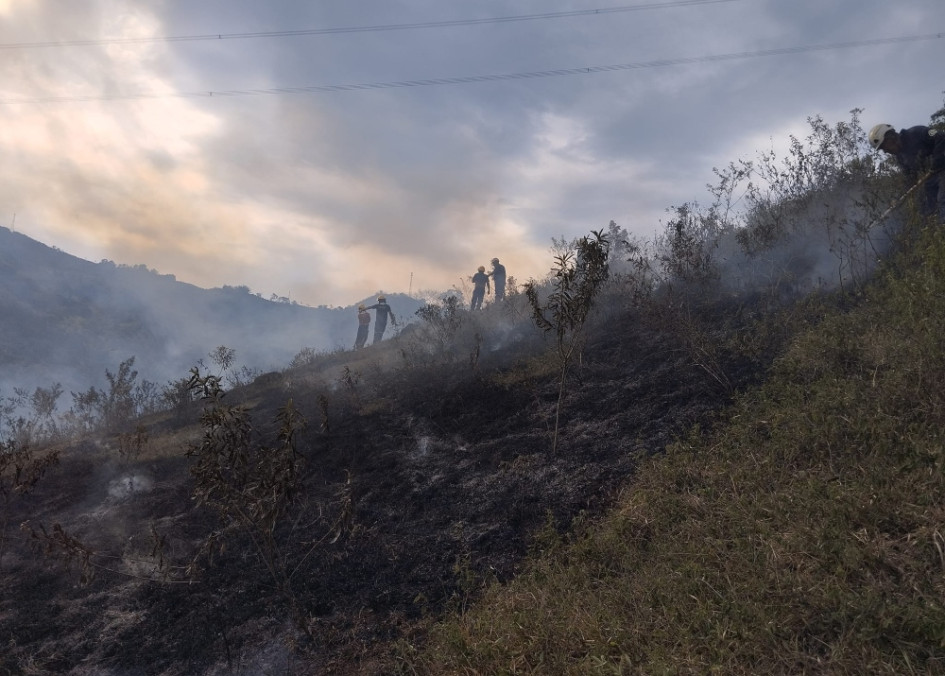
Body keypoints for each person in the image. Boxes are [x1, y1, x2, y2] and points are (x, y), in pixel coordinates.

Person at [869, 122, 945, 222]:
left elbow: (941, 137)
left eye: (884, 146)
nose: (885, 151)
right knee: (927, 209)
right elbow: (910, 178)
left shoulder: (917, 132)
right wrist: (897, 199)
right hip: (934, 177)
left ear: (890, 137)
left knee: (943, 200)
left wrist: (938, 160)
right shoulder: (901, 157)